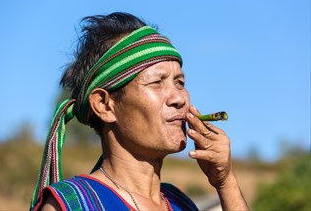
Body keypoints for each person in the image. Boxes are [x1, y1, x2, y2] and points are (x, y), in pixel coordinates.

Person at [30, 12, 249, 211]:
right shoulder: (73, 205)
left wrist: (226, 182)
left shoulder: (181, 204)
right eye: (156, 83)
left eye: (180, 82)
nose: (179, 98)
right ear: (104, 105)